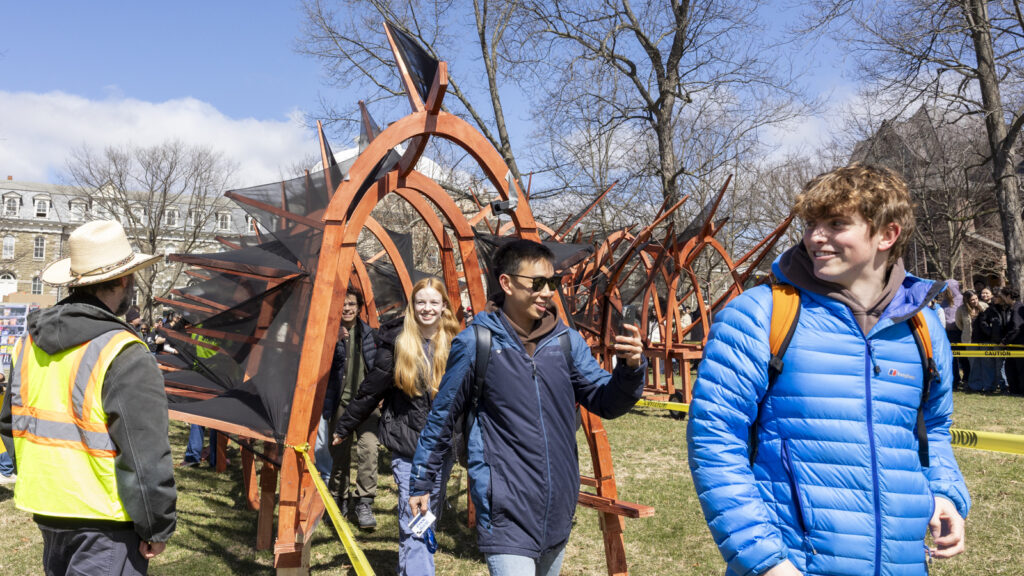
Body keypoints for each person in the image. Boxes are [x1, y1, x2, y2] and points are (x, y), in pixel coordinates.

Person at [687, 163, 970, 576]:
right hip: (793, 566)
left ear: (887, 235)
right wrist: (764, 561)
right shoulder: (760, 314)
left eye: (836, 223)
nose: (815, 237)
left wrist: (943, 491)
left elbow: (934, 427)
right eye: (811, 223)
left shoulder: (923, 327)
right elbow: (714, 439)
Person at [408, 239, 646, 576]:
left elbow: (605, 401)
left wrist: (631, 368)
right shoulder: (477, 342)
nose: (547, 292)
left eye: (552, 283)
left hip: (557, 510)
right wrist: (422, 482)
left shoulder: (566, 342)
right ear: (506, 283)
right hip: (505, 511)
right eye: (537, 283)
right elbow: (442, 417)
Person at [0, 220, 177, 575]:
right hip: (105, 519)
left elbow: (10, 425)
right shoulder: (123, 351)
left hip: (48, 507)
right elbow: (145, 453)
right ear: (124, 279)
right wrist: (157, 524)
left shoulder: (27, 343)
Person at [332, 277, 460, 575]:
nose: (427, 308)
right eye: (421, 302)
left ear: (444, 307)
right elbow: (370, 390)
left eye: (433, 302)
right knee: (417, 519)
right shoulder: (398, 343)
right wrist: (344, 426)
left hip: (441, 450)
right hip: (408, 447)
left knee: (420, 522)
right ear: (412, 307)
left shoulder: (457, 345)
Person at [316, 286, 379, 527]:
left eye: (351, 304)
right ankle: (338, 498)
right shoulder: (329, 335)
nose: (347, 308)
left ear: (359, 307)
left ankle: (363, 501)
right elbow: (321, 369)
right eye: (342, 304)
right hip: (340, 403)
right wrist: (332, 342)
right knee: (339, 454)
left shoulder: (370, 335)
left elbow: (378, 367)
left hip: (366, 405)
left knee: (369, 449)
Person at [976, 286, 1016, 394]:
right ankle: (989, 387)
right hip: (992, 340)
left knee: (1001, 365)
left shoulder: (1010, 309)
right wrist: (991, 333)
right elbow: (983, 323)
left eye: (997, 297)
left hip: (1004, 341)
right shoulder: (990, 309)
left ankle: (1004, 386)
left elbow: (1012, 325)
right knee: (988, 365)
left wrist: (1005, 339)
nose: (994, 298)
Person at [956, 289, 987, 390]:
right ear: (967, 300)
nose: (975, 301)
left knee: (985, 362)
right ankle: (975, 385)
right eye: (972, 300)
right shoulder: (961, 310)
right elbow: (959, 324)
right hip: (969, 340)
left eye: (976, 298)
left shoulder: (984, 306)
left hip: (983, 339)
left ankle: (985, 383)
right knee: (973, 364)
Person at [940, 281, 963, 388]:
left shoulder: (962, 299)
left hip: (959, 332)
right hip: (946, 333)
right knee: (951, 358)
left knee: (963, 358)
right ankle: (954, 379)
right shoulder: (944, 302)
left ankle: (966, 378)